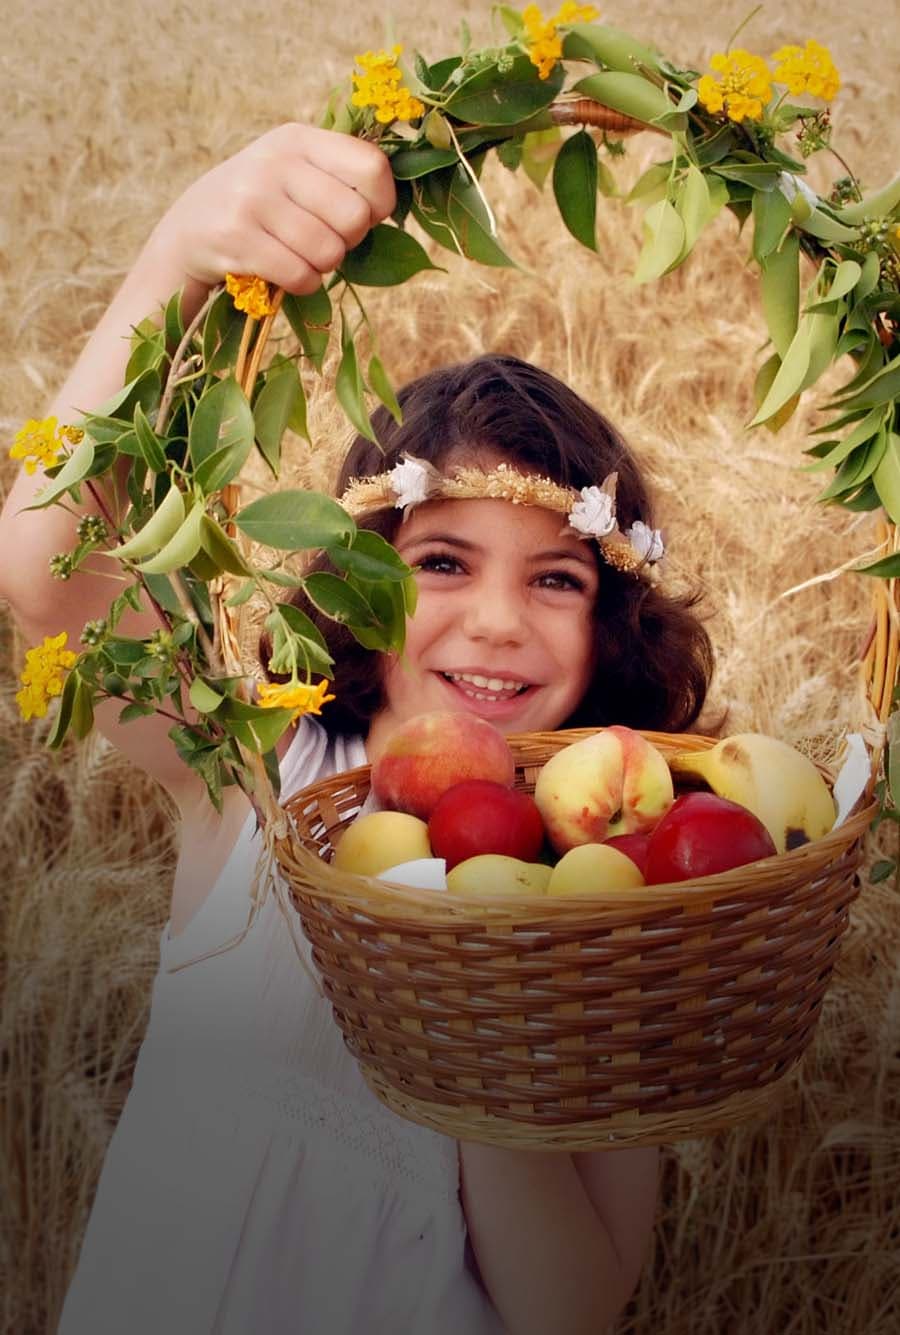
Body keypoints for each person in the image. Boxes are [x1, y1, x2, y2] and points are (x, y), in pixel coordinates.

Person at [0, 123, 715, 1335]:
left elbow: (573, 1309)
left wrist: (475, 1032)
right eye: (442, 562)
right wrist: (179, 257)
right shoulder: (266, 780)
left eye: (556, 582)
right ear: (353, 585)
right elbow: (44, 572)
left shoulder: (611, 897)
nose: (496, 624)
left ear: (611, 633)